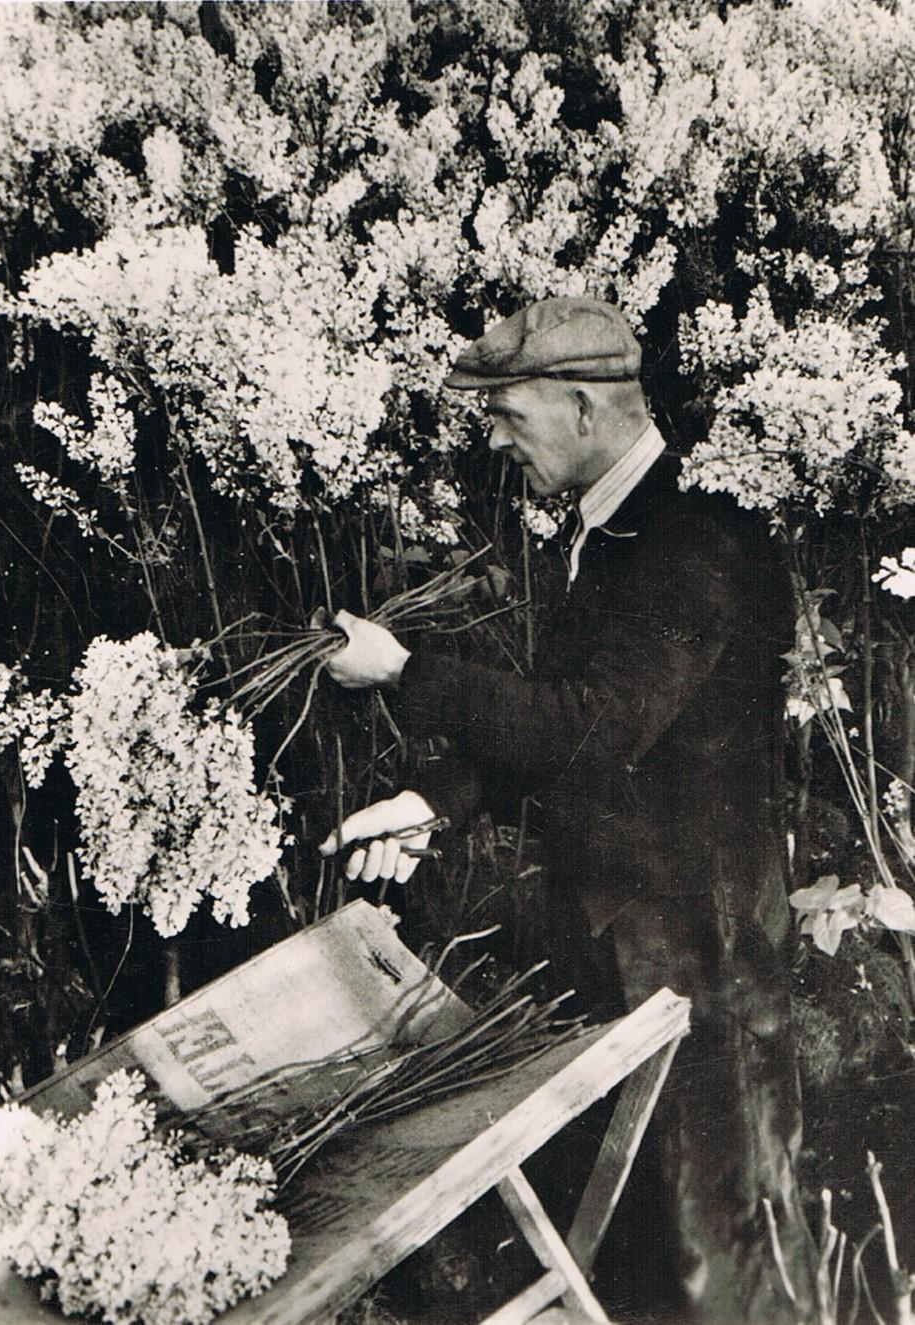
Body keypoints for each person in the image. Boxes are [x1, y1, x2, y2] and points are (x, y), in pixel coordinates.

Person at [319, 297, 812, 1323]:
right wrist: (428, 801)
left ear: (583, 405)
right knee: (641, 1250)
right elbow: (552, 728)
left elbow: (590, 726)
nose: (498, 442)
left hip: (700, 958)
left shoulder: (694, 540)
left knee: (715, 1264)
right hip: (629, 944)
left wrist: (404, 669)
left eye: (507, 416)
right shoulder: (615, 530)